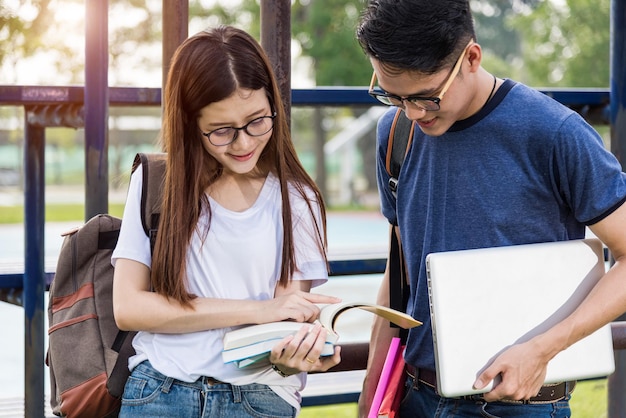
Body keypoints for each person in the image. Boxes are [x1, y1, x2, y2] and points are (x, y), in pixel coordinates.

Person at [356, 0, 626, 416]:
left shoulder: (555, 133)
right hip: (415, 396)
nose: (410, 112)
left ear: (472, 58)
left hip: (520, 403)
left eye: (426, 97)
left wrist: (542, 350)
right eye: (391, 95)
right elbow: (400, 269)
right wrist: (372, 393)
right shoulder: (394, 132)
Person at [111, 25, 341, 418]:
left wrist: (296, 354)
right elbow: (129, 307)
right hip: (160, 391)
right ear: (189, 124)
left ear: (274, 106)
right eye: (221, 131)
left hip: (258, 398)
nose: (244, 143)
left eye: (257, 121)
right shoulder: (156, 183)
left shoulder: (296, 199)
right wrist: (258, 309)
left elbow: (284, 322)